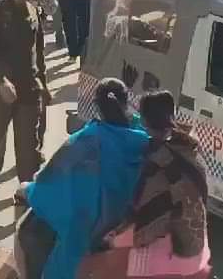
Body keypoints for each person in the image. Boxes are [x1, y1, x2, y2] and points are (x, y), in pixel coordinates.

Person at [15, 77, 148, 279]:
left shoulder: (86, 140)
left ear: (96, 106)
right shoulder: (143, 138)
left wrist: (27, 189)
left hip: (89, 237)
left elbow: (47, 184)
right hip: (130, 230)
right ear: (127, 100)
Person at [83, 91, 211, 279]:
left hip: (161, 258)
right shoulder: (192, 153)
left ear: (143, 121)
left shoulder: (152, 164)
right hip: (195, 252)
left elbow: (138, 212)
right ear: (173, 114)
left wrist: (107, 235)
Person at [0, 0, 52, 198]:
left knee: (29, 141)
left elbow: (38, 52)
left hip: (29, 86)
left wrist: (44, 83)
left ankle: (26, 188)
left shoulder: (34, 11)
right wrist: (1, 82)